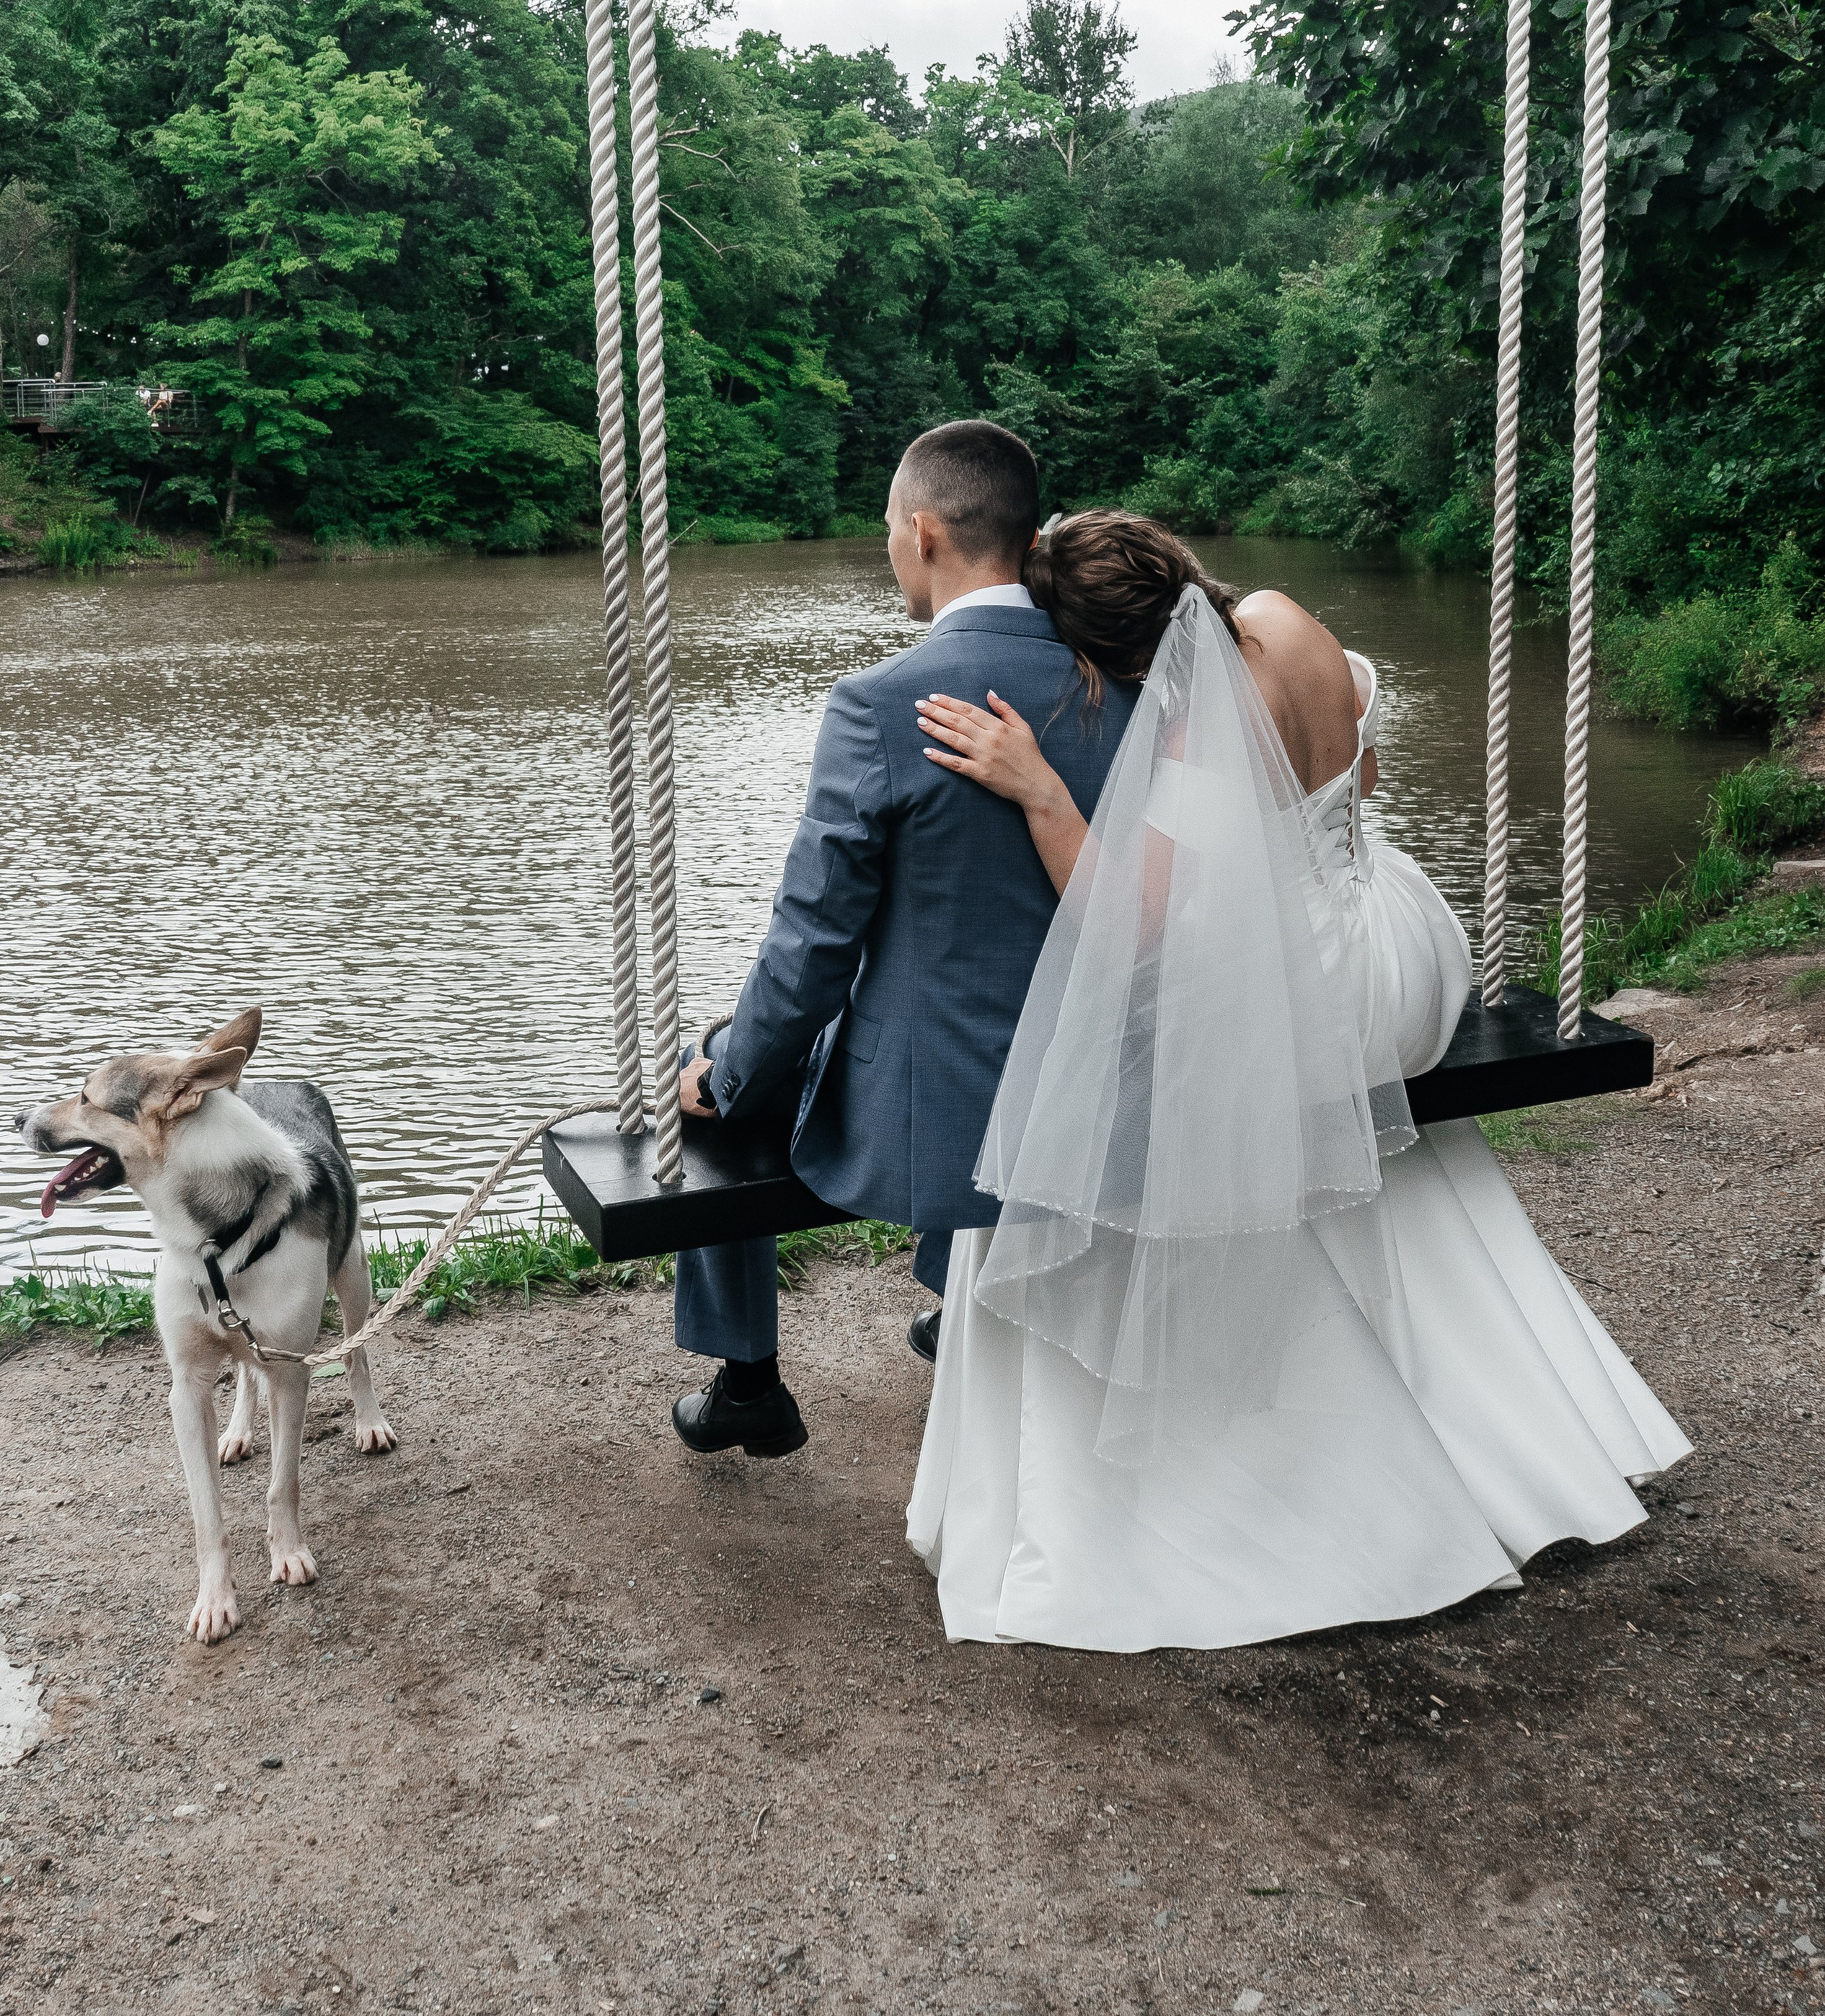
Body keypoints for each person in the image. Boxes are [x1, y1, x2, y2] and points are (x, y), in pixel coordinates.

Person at [906, 511, 1689, 1650]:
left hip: (1330, 1000)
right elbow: (1357, 770)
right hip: (1405, 942)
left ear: (1113, 656)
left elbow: (1132, 920)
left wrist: (1042, 793)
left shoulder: (1182, 724)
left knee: (1100, 1077)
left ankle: (1196, 1426)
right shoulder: (1281, 617)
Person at [666, 424, 1136, 1462]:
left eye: (889, 528)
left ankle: (748, 1375)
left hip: (948, 1114)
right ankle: (947, 1296)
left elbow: (812, 951)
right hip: (1091, 1083)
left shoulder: (882, 706)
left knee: (717, 1061)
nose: (890, 548)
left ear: (923, 532)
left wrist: (727, 1070)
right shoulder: (1121, 680)